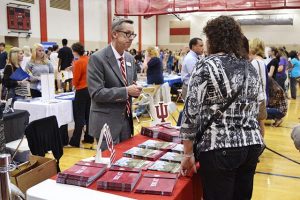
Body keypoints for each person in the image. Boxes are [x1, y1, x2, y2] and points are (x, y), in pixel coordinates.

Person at [180, 16, 264, 200]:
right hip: (251, 146)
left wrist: (187, 153)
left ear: (212, 39)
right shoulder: (249, 68)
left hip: (219, 147)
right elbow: (256, 110)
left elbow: (190, 114)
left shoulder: (206, 65)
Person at [87, 18, 142, 150]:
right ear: (114, 34)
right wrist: (126, 91)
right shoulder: (98, 58)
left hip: (126, 122)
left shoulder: (129, 58)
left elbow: (131, 83)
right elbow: (96, 93)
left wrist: (136, 89)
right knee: (110, 165)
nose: (131, 38)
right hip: (106, 122)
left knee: (126, 162)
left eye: (132, 34)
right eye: (127, 34)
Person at [69, 42, 94, 147]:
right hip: (90, 89)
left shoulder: (78, 62)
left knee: (79, 116)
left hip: (81, 89)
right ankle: (89, 137)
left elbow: (76, 78)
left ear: (74, 51)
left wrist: (73, 86)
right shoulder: (89, 59)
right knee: (88, 115)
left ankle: (75, 141)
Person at [249, 38, 268, 138]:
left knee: (259, 123)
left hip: (257, 97)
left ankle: (259, 144)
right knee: (261, 123)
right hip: (262, 95)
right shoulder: (261, 61)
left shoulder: (255, 62)